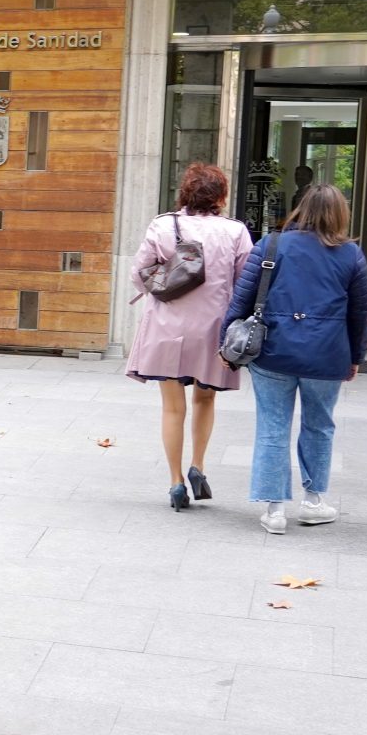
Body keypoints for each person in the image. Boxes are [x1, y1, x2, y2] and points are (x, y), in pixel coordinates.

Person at [223, 183, 367, 536]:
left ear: (301, 208)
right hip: (326, 354)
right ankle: (313, 501)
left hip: (274, 350)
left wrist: (224, 343)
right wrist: (355, 356)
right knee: (320, 425)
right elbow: (360, 313)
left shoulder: (271, 245)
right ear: (340, 213)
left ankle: (274, 510)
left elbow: (240, 299)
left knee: (273, 425)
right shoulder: (351, 255)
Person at [125, 161, 253, 510]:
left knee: (172, 408)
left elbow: (139, 272)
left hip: (167, 327)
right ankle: (198, 465)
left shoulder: (163, 225)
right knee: (205, 400)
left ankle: (176, 481)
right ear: (221, 196)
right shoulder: (235, 231)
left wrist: (159, 288)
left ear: (185, 191)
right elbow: (246, 282)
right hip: (212, 329)